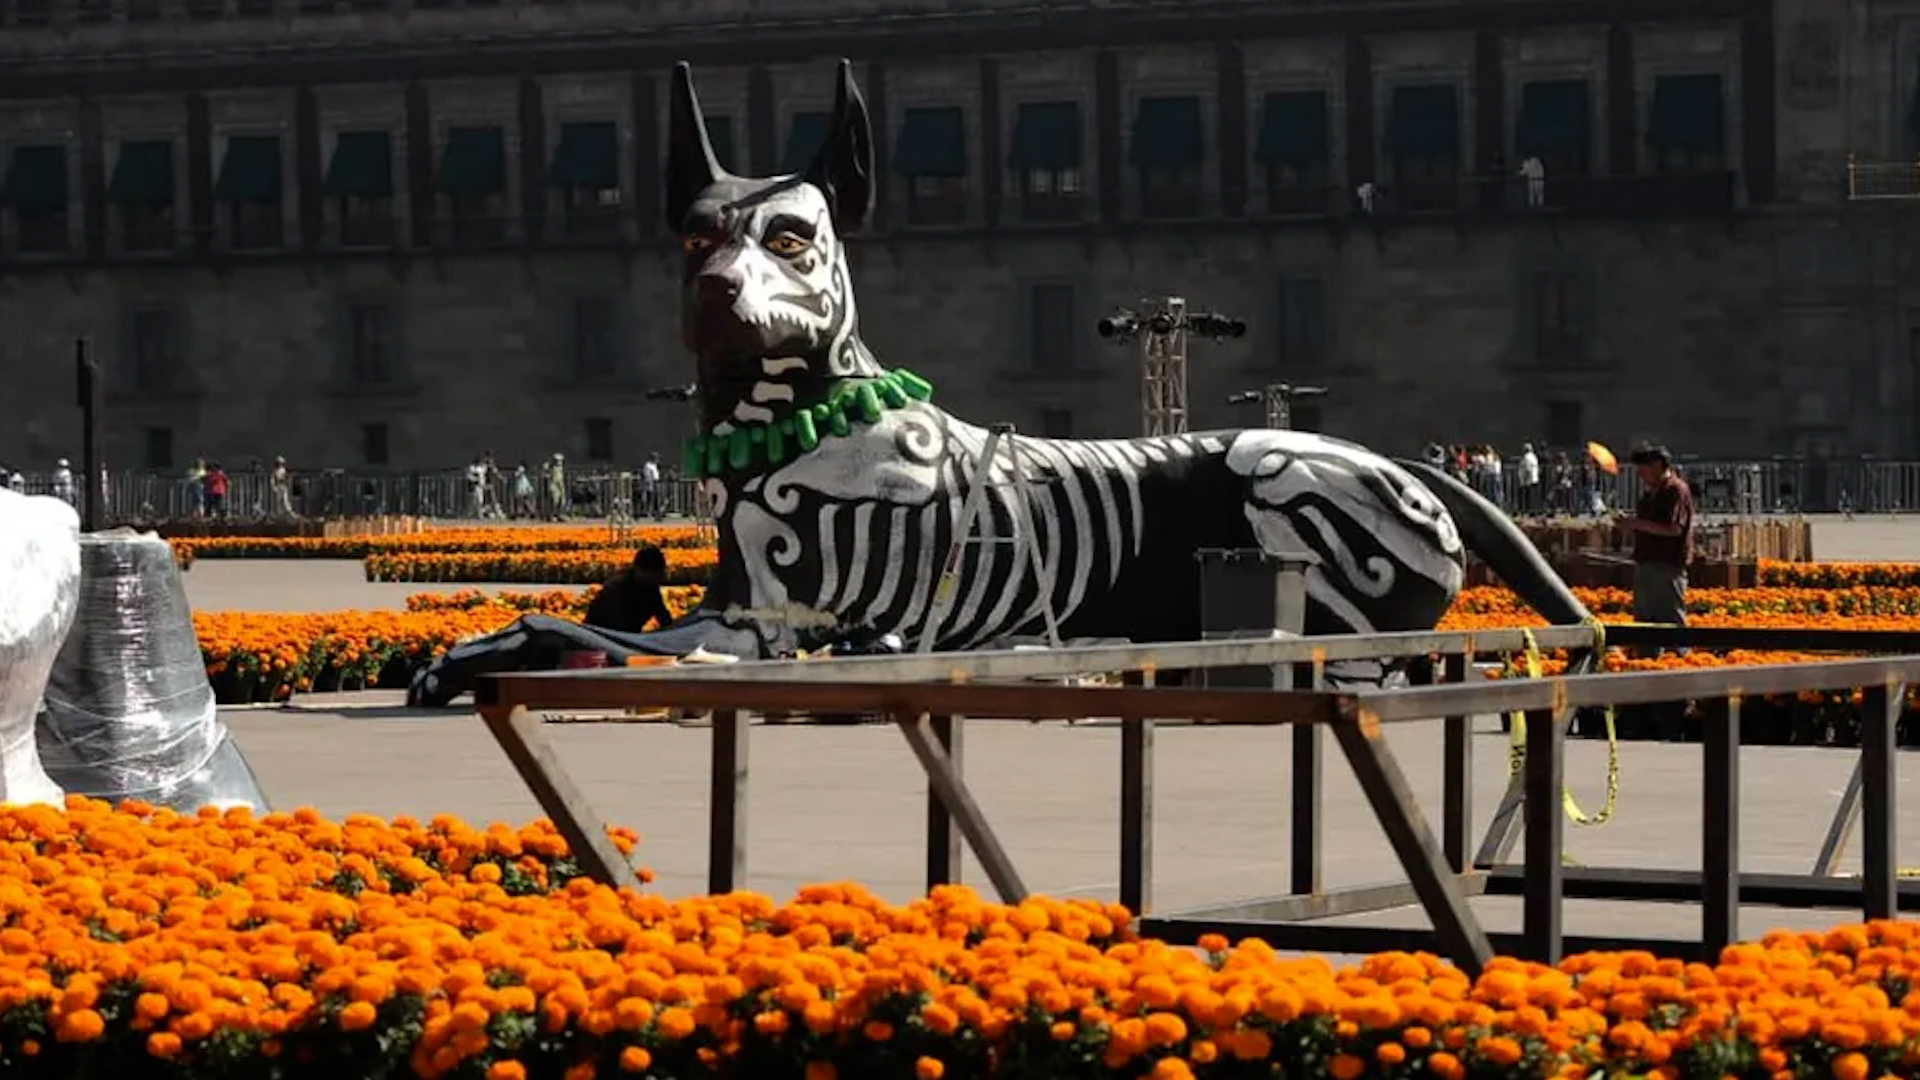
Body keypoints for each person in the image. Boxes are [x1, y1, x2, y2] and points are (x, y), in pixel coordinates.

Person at [1616, 443, 1693, 641]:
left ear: (1658, 465)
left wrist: (1636, 523)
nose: (1640, 475)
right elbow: (1647, 525)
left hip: (1666, 565)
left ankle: (1678, 661)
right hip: (1646, 562)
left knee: (1669, 619)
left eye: (1643, 469)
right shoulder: (1650, 494)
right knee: (1644, 621)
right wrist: (1630, 525)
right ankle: (1646, 664)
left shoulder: (1675, 490)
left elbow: (1673, 528)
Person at [583, 547, 674, 634]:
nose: (658, 579)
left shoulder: (650, 587)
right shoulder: (616, 588)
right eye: (653, 576)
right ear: (639, 570)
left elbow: (663, 617)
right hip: (601, 636)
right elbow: (619, 627)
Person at [1516, 442, 1540, 515]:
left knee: (1528, 496)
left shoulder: (1526, 457)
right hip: (1534, 478)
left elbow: (1527, 468)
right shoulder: (1534, 456)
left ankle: (1529, 511)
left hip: (1528, 480)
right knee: (1532, 496)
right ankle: (1533, 510)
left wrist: (1525, 479)